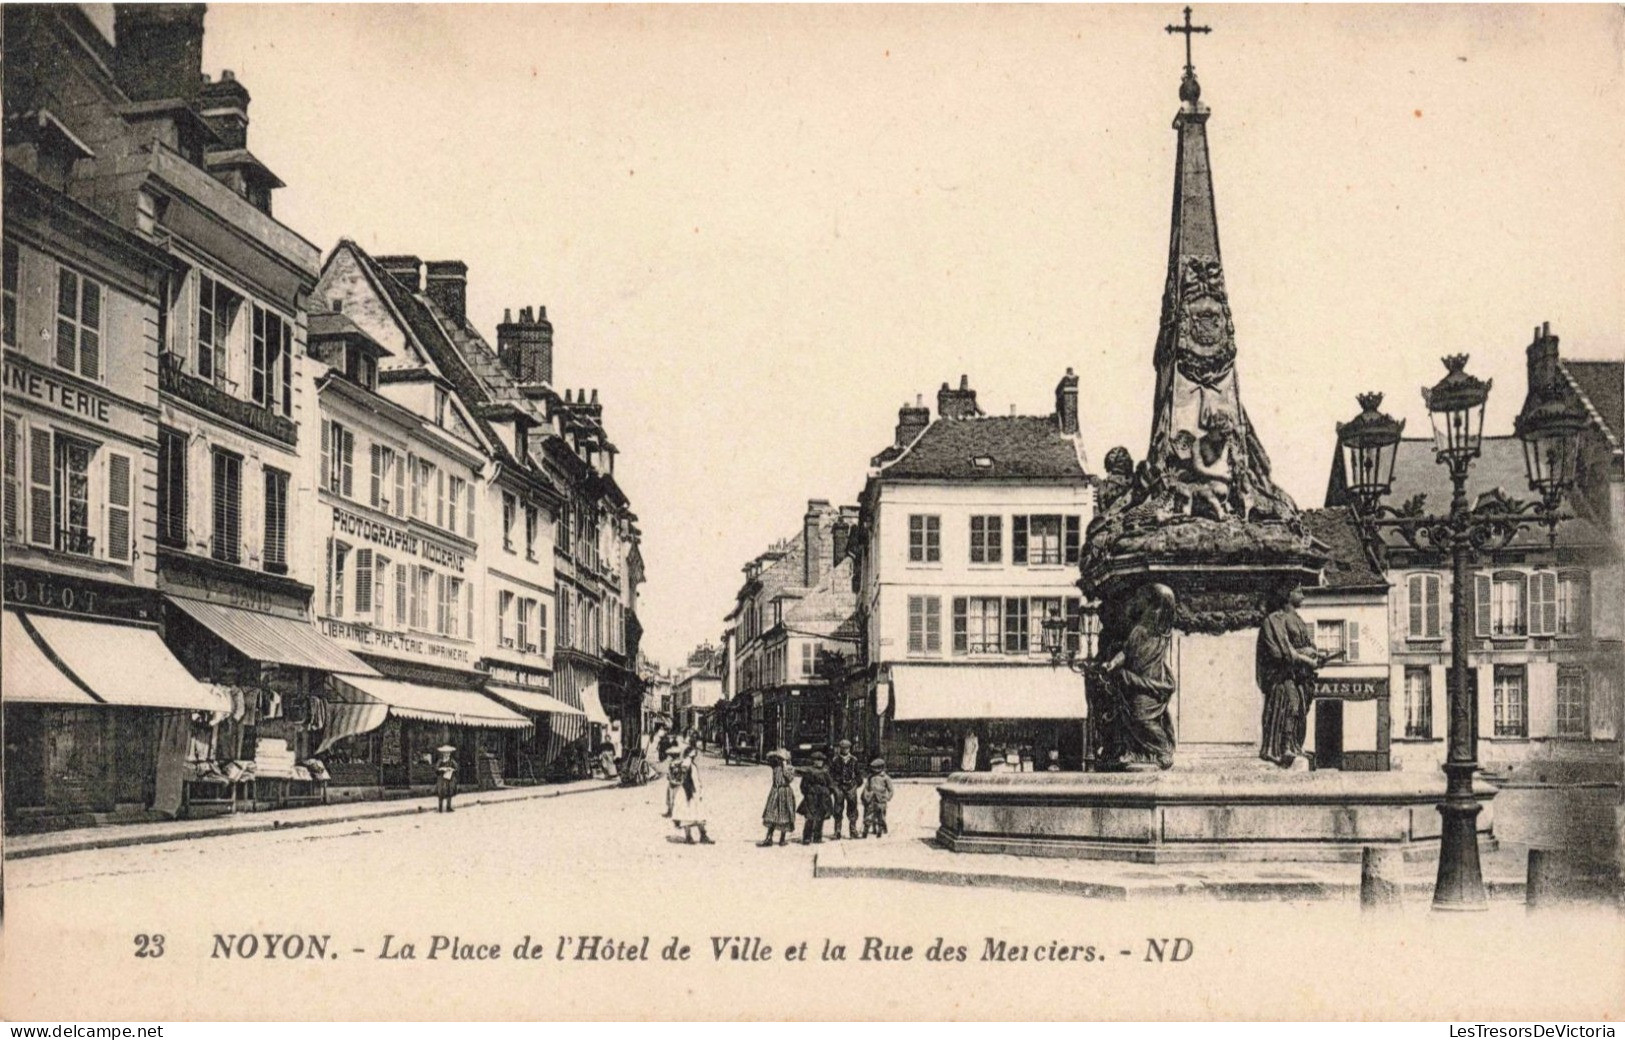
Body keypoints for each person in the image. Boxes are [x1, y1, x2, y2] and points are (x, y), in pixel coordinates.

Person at [1090, 584, 1178, 771]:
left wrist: (1163, 595)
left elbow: (1168, 606)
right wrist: (1112, 663)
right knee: (1131, 715)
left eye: (1145, 602)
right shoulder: (1138, 630)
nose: (1141, 607)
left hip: (1149, 681)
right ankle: (1141, 752)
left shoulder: (1160, 631)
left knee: (1140, 717)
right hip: (1133, 680)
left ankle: (1162, 749)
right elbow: (1126, 652)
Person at [1257, 586, 1327, 768]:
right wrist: (1308, 659)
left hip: (1297, 674)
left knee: (1300, 709)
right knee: (1292, 705)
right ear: (1287, 594)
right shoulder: (1274, 620)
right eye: (1299, 591)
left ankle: (1293, 745)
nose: (1303, 595)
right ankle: (1283, 747)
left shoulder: (1298, 620)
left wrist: (1317, 655)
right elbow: (1282, 651)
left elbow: (1305, 646)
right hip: (1281, 674)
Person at [669, 746, 714, 844]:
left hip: (692, 791)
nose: (695, 754)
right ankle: (690, 837)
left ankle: (701, 835)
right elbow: (686, 778)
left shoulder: (689, 763)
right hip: (688, 791)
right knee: (689, 813)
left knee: (695, 813)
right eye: (693, 753)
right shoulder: (687, 762)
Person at [759, 748, 797, 847]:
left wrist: (785, 766)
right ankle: (769, 838)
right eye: (779, 759)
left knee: (784, 815)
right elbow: (768, 757)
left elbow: (789, 778)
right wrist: (776, 754)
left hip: (785, 792)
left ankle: (782, 838)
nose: (779, 760)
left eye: (781, 758)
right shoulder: (775, 767)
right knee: (772, 815)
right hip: (775, 791)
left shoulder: (790, 768)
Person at [796, 750, 834, 844]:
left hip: (823, 798)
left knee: (820, 817)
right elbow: (803, 785)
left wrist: (828, 793)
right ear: (813, 761)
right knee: (810, 817)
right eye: (816, 760)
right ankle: (807, 837)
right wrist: (808, 793)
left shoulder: (825, 771)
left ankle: (817, 837)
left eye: (820, 760)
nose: (818, 762)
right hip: (811, 797)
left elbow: (830, 784)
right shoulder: (809, 771)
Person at [828, 739, 862, 840]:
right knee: (838, 809)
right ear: (840, 748)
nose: (845, 750)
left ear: (849, 748)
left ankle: (853, 830)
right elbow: (830, 775)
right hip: (839, 787)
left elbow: (859, 775)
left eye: (847, 748)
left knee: (853, 808)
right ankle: (837, 831)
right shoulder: (835, 760)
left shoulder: (854, 760)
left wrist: (855, 785)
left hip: (851, 787)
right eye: (843, 748)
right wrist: (834, 787)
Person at [861, 758, 894, 838]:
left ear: (881, 768)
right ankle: (865, 830)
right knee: (869, 814)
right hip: (871, 799)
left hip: (881, 799)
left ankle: (880, 829)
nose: (874, 770)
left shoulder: (885, 778)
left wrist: (887, 797)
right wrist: (865, 796)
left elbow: (890, 790)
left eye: (876, 768)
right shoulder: (870, 777)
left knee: (881, 815)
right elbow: (866, 788)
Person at [433, 745, 458, 813]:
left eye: (448, 753)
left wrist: (451, 769)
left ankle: (448, 807)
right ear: (443, 754)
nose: (447, 754)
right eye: (445, 753)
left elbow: (456, 768)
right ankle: (440, 807)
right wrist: (442, 769)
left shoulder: (452, 761)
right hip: (442, 778)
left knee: (449, 792)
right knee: (441, 792)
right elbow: (436, 768)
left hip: (449, 778)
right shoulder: (440, 761)